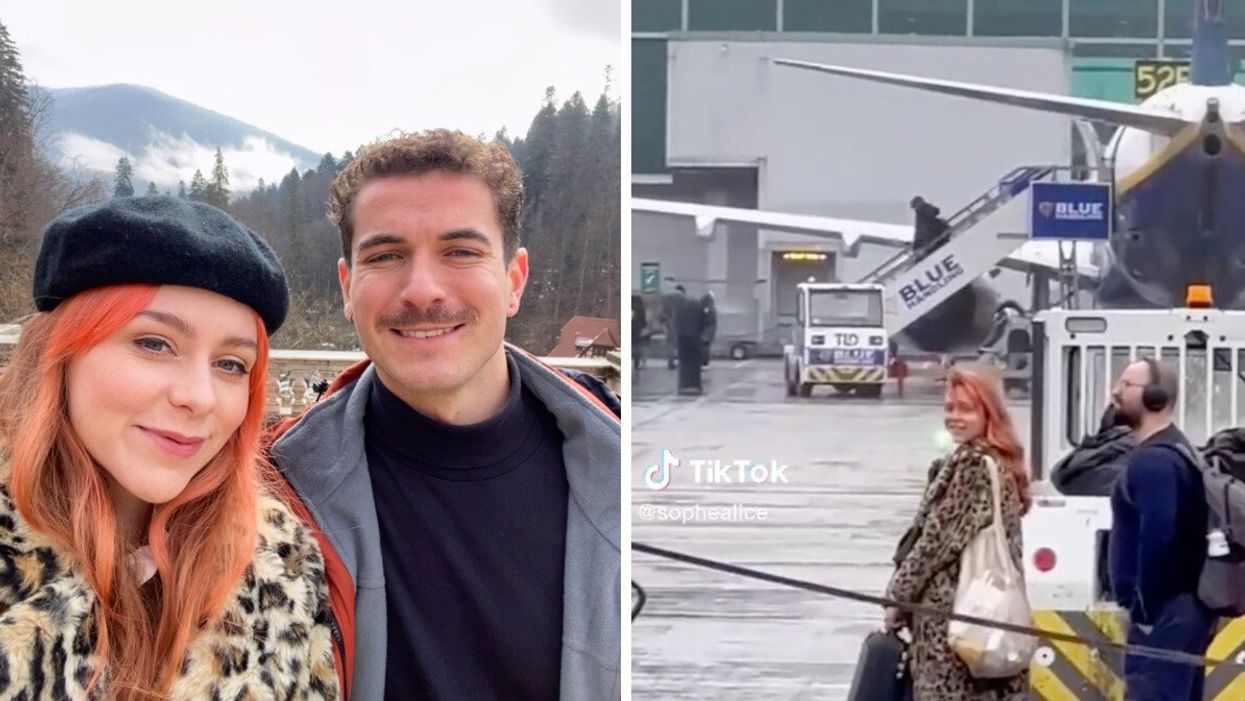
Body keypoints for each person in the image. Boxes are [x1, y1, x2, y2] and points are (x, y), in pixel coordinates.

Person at [266, 129, 621, 701]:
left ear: (513, 280)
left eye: (460, 251)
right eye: (386, 256)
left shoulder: (628, 468)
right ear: (347, 287)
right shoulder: (274, 496)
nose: (423, 289)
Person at [0, 197, 338, 700]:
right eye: (154, 344)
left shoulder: (280, 569)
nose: (199, 398)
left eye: (231, 364)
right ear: (59, 355)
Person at [884, 368, 1030, 700]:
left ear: (987, 413)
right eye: (949, 408)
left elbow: (934, 544)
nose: (954, 417)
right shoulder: (993, 461)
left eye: (965, 409)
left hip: (954, 628)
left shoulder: (974, 467)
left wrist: (896, 597)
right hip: (973, 618)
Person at [1108, 358, 1215, 701]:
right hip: (1182, 611)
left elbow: (1159, 538)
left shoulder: (1153, 461)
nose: (1115, 392)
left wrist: (1144, 611)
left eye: (1126, 385)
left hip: (1165, 616)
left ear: (1155, 397)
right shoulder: (1176, 450)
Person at [911, 195, 950, 259]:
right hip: (936, 238)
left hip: (928, 242)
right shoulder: (923, 208)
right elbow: (935, 211)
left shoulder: (919, 217)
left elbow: (920, 231)